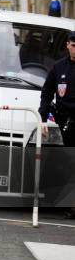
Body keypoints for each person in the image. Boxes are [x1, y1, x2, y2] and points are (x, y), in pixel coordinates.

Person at [39, 31, 75, 219]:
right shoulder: (59, 67)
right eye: (74, 45)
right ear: (68, 45)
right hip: (65, 121)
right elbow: (46, 92)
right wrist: (43, 118)